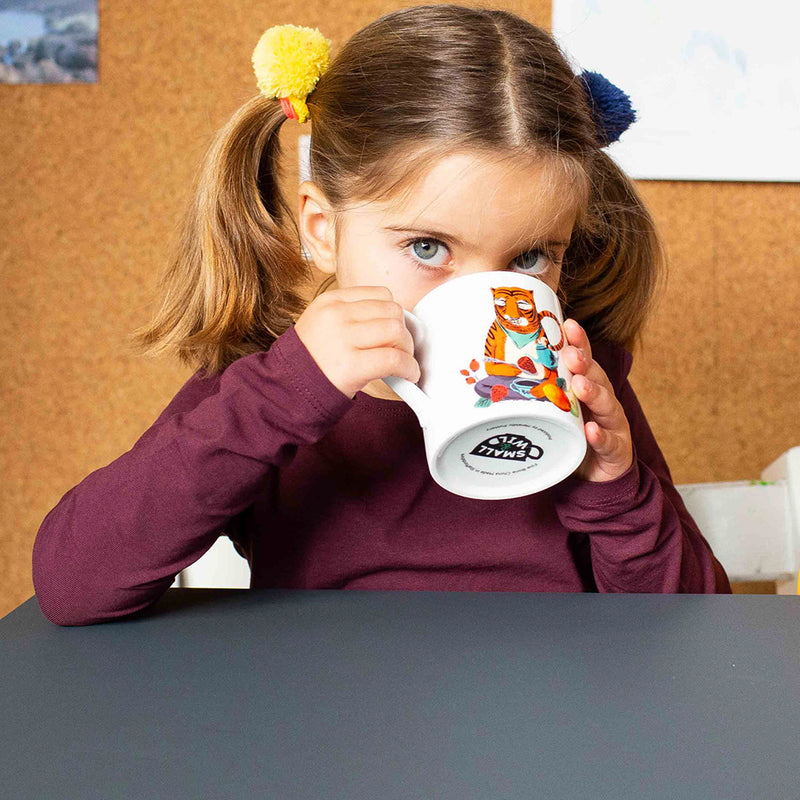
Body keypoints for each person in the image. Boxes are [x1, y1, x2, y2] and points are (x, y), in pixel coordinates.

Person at [32, 5, 731, 626]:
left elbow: (695, 630)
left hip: (548, 712)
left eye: (528, 258)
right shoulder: (270, 387)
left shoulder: (581, 378)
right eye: (427, 247)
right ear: (322, 230)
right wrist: (281, 393)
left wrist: (617, 491)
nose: (484, 299)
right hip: (327, 714)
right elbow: (72, 585)